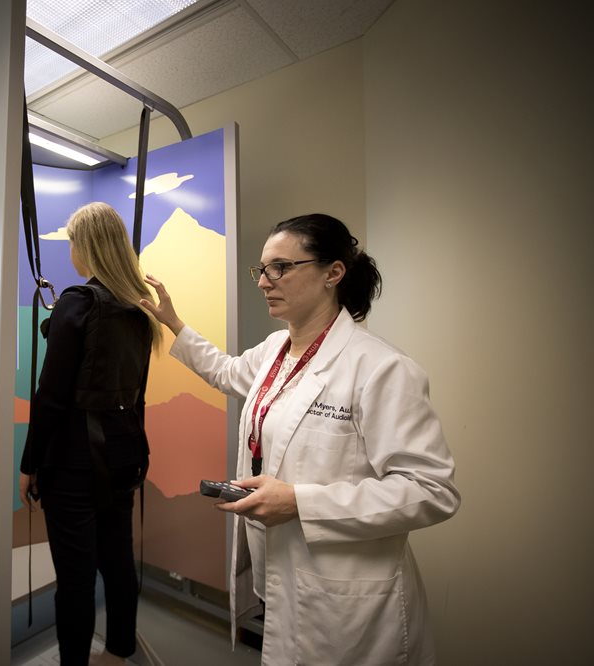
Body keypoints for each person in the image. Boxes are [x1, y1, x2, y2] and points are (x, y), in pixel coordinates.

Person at [140, 213, 460, 665]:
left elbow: (432, 491)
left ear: (333, 273)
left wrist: (300, 503)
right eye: (262, 269)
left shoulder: (382, 369)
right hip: (284, 577)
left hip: (347, 598)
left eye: (281, 268)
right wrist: (174, 322)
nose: (265, 281)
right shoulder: (275, 350)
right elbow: (228, 371)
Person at [19, 202, 162, 666]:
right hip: (123, 456)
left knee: (75, 578)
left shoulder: (78, 302)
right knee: (118, 560)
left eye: (74, 242)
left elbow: (52, 398)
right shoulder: (139, 310)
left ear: (88, 246)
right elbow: (135, 395)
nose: (73, 252)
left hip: (74, 464)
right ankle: (120, 649)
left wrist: (30, 465)